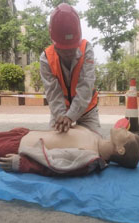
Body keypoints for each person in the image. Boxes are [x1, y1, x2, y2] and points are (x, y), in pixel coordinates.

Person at [0, 125, 139, 177]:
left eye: (127, 134)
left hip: (15, 148)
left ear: (120, 150)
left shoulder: (89, 158)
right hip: (21, 134)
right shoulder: (95, 136)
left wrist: (22, 163)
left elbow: (56, 166)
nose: (124, 129)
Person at [40, 4, 100, 135]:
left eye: (72, 49)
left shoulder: (86, 49)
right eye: (63, 50)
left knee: (95, 142)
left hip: (87, 110)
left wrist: (71, 116)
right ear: (54, 44)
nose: (68, 54)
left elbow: (85, 87)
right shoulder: (46, 58)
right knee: (53, 143)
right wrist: (62, 117)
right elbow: (53, 93)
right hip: (60, 111)